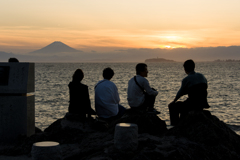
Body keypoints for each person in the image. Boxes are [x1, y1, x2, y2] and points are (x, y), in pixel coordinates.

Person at [168, 59, 210, 126]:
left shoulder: (186, 79)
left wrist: (174, 101)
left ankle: (175, 126)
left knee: (173, 106)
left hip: (192, 104)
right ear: (194, 67)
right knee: (184, 106)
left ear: (185, 69)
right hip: (202, 104)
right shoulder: (202, 76)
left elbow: (180, 92)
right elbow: (203, 88)